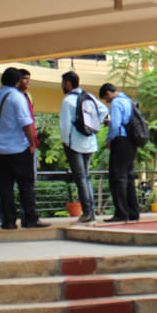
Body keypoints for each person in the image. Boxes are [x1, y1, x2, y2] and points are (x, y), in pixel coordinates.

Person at [0, 67, 47, 229]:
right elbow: (26, 123)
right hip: (18, 148)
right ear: (17, 81)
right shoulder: (17, 98)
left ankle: (8, 220)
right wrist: (32, 144)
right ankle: (30, 218)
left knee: (4, 186)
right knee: (25, 184)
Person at [60, 71, 106, 223]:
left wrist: (65, 140)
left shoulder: (68, 101)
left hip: (75, 143)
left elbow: (65, 125)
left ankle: (87, 213)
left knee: (81, 179)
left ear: (67, 83)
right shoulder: (90, 97)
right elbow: (104, 110)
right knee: (86, 177)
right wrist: (95, 125)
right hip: (90, 141)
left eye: (63, 83)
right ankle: (90, 211)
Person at [99, 82, 139, 224]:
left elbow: (115, 125)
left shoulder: (116, 103)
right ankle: (133, 211)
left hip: (120, 141)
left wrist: (109, 139)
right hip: (131, 141)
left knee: (118, 177)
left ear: (108, 93)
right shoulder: (128, 100)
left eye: (106, 98)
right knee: (128, 177)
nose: (107, 101)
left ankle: (121, 212)